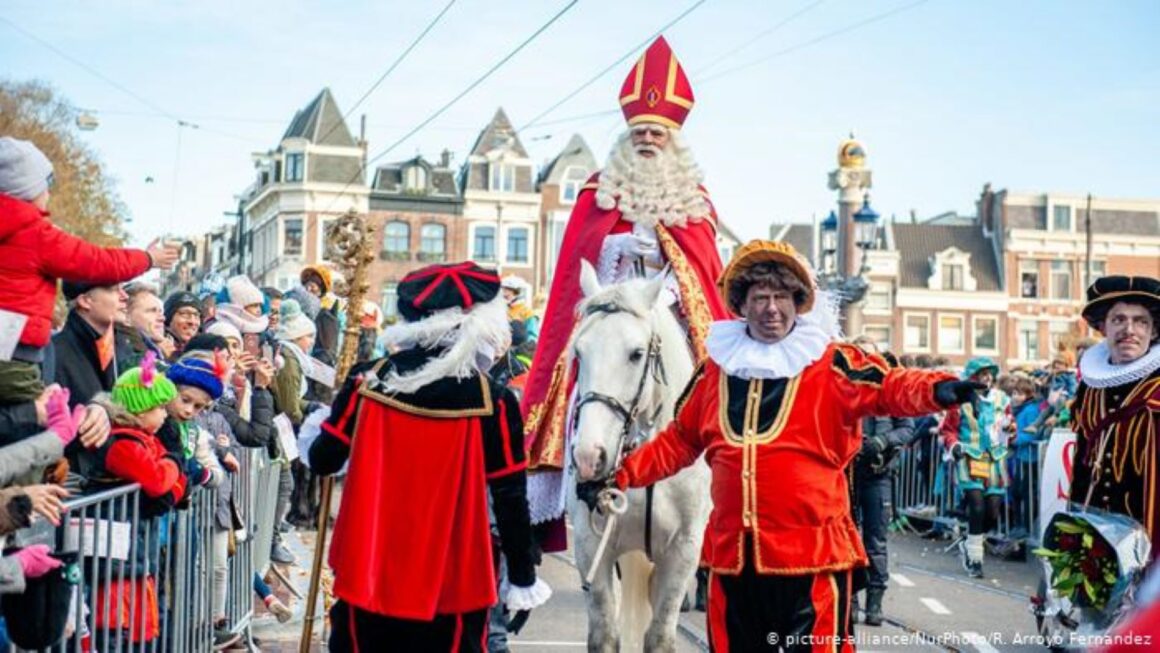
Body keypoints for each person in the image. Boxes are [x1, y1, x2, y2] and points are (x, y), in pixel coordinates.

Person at [584, 240, 978, 651]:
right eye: (759, 298)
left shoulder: (829, 364)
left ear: (798, 302)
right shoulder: (717, 370)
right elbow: (679, 442)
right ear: (742, 304)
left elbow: (889, 386)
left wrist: (941, 388)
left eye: (780, 297)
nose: (771, 308)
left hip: (810, 563)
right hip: (735, 564)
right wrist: (621, 476)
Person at [523, 36, 731, 544]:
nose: (647, 139)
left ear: (673, 139)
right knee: (587, 372)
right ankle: (578, 474)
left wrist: (668, 257)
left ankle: (712, 482)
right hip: (607, 302)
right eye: (639, 130)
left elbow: (705, 272)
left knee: (709, 383)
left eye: (658, 132)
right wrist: (616, 245)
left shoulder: (692, 197)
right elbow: (580, 260)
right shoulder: (598, 190)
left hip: (671, 310)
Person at [309, 262, 549, 652]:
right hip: (453, 583)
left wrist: (325, 423)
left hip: (371, 569)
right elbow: (509, 498)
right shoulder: (493, 401)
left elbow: (322, 461)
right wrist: (522, 575)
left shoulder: (367, 382)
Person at [0, 136, 179, 396]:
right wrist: (148, 258)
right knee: (36, 416)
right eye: (46, 183)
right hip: (18, 349)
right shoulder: (35, 233)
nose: (49, 192)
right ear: (28, 188)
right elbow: (97, 262)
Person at [1069, 276, 1160, 552]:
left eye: (1140, 321)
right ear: (1103, 327)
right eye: (1118, 320)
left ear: (1154, 331)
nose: (1129, 330)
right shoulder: (1091, 387)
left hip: (1149, 531)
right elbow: (1082, 461)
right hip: (1097, 527)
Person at [849, 340, 915, 626]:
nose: (865, 358)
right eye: (860, 353)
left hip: (879, 475)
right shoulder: (843, 386)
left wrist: (883, 441)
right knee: (845, 540)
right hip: (846, 475)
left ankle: (874, 601)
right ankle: (849, 600)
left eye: (869, 353)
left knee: (875, 541)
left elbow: (907, 428)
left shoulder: (891, 387)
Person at [939, 356, 1013, 578]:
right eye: (982, 374)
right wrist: (954, 447)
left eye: (989, 374)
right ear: (972, 377)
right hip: (970, 459)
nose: (986, 378)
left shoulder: (1002, 399)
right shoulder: (959, 401)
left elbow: (1009, 424)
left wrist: (1011, 429)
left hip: (995, 459)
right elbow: (948, 430)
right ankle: (975, 559)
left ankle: (969, 540)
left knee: (992, 510)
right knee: (977, 506)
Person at [164, 291, 203, 360]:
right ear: (168, 319)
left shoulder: (204, 352)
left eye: (196, 315)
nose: (192, 321)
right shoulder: (156, 352)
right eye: (184, 314)